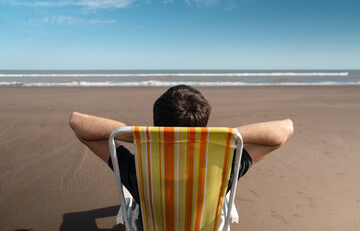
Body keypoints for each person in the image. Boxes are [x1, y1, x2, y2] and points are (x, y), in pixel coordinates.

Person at [69, 85, 293, 215]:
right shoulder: (224, 168)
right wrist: (226, 137)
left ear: (157, 126)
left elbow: (77, 123)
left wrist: (136, 135)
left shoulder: (138, 170)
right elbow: (285, 129)